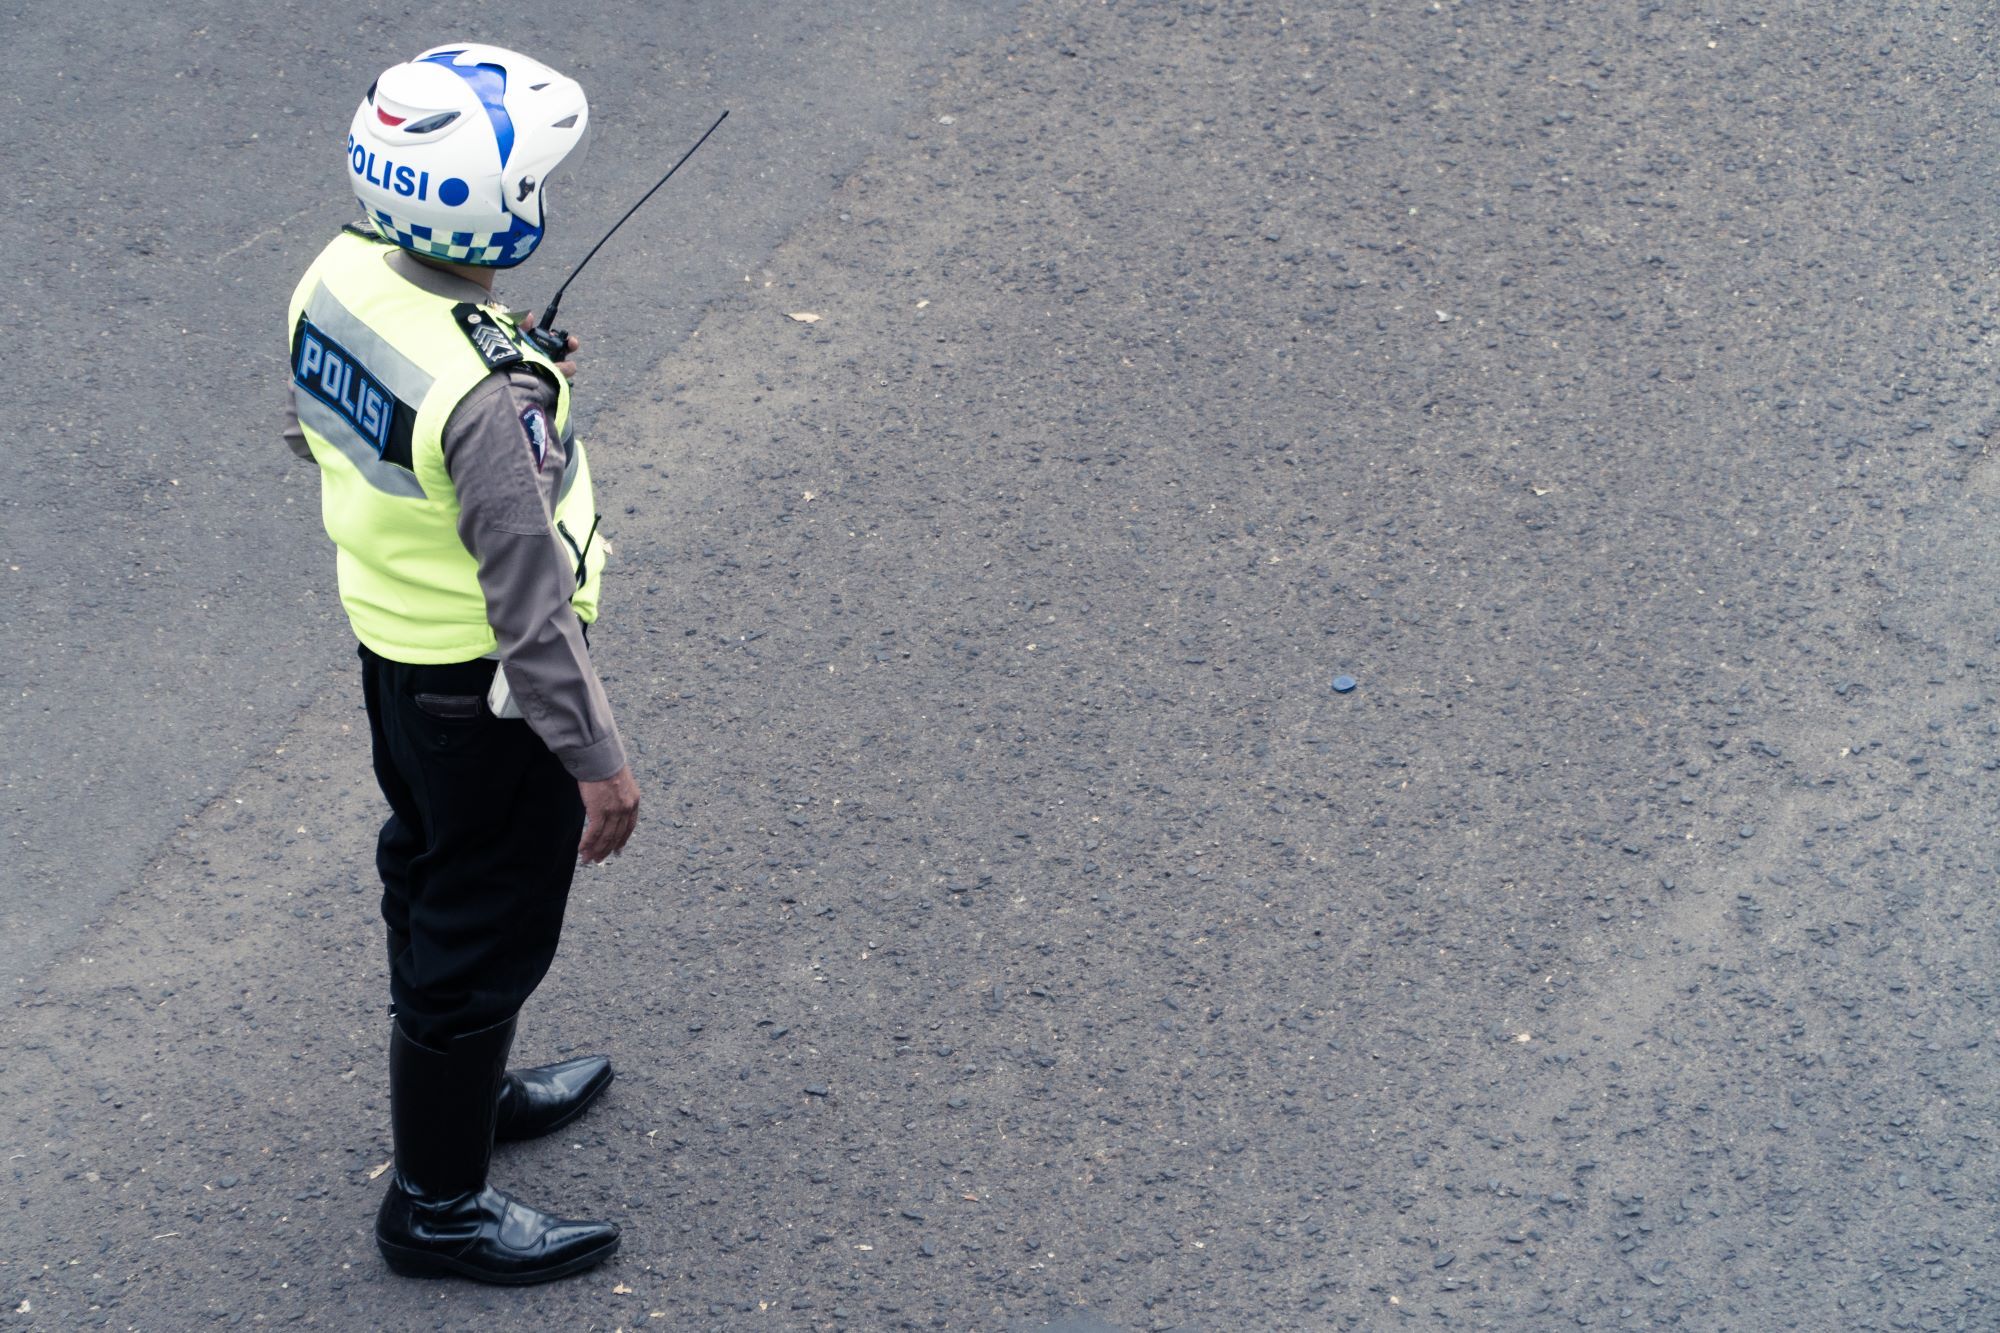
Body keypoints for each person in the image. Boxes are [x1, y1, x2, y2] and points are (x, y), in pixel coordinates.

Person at [281, 42, 640, 1284]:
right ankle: (435, 1203)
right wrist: (595, 760)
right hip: (488, 695)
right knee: (483, 921)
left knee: (432, 877)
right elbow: (532, 605)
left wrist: (504, 375)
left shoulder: (336, 277)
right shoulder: (487, 399)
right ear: (494, 204)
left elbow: (332, 423)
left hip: (394, 656)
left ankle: (461, 1090)